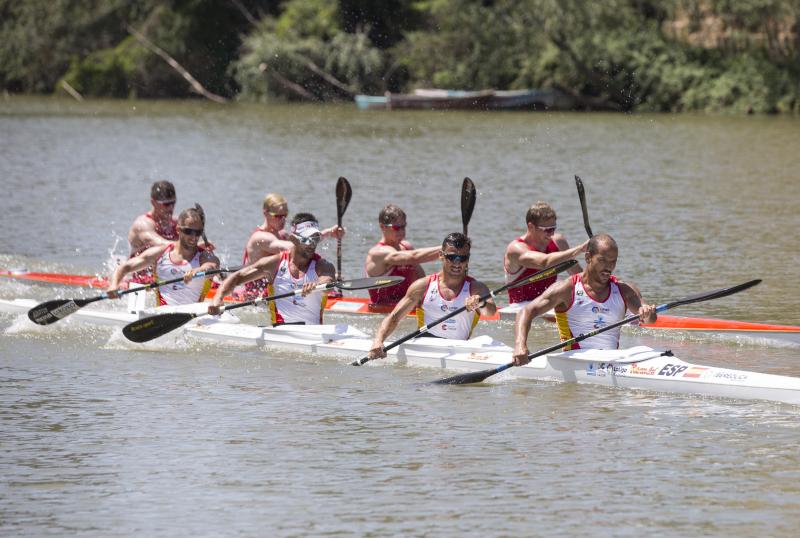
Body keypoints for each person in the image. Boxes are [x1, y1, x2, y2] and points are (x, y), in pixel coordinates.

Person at [511, 234, 657, 365]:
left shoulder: (625, 290)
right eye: (602, 260)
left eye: (613, 261)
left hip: (612, 361)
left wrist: (648, 314)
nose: (609, 267)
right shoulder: (567, 289)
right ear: (588, 258)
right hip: (575, 362)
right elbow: (526, 312)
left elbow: (650, 318)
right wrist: (520, 345)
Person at [366, 232, 497, 360]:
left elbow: (490, 312)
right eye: (452, 257)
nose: (457, 263)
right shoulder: (422, 286)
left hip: (459, 351)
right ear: (441, 256)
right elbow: (394, 317)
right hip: (425, 348)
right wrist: (378, 341)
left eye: (463, 258)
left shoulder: (476, 288)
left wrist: (481, 303)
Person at [209, 213, 335, 325]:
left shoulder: (323, 266)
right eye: (307, 239)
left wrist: (317, 285)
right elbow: (237, 278)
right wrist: (217, 298)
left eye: (316, 239)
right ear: (292, 239)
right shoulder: (274, 264)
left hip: (314, 334)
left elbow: (328, 283)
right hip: (279, 333)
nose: (312, 244)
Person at [107, 208, 220, 306]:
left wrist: (198, 270)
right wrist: (113, 285)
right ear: (178, 230)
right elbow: (124, 267)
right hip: (162, 314)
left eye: (198, 232)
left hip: (193, 317)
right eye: (188, 231)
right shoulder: (161, 253)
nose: (194, 237)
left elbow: (211, 268)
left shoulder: (205, 256)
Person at [240, 193, 343, 298]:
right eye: (278, 216)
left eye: (285, 215)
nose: (283, 220)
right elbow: (294, 246)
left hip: (278, 288)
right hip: (256, 294)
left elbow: (301, 245)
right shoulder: (260, 237)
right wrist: (326, 234)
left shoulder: (283, 234)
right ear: (266, 213)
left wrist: (326, 277)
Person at [504, 201, 587, 304]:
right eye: (547, 230)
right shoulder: (515, 249)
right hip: (521, 307)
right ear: (531, 227)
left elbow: (580, 277)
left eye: (553, 229)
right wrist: (580, 249)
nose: (551, 234)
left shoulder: (558, 242)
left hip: (548, 304)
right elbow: (544, 262)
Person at [364, 204, 441, 307]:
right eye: (396, 227)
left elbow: (422, 280)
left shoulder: (407, 247)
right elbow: (414, 257)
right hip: (383, 309)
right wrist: (446, 248)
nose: (401, 231)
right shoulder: (377, 253)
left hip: (408, 306)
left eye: (403, 226)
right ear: (382, 227)